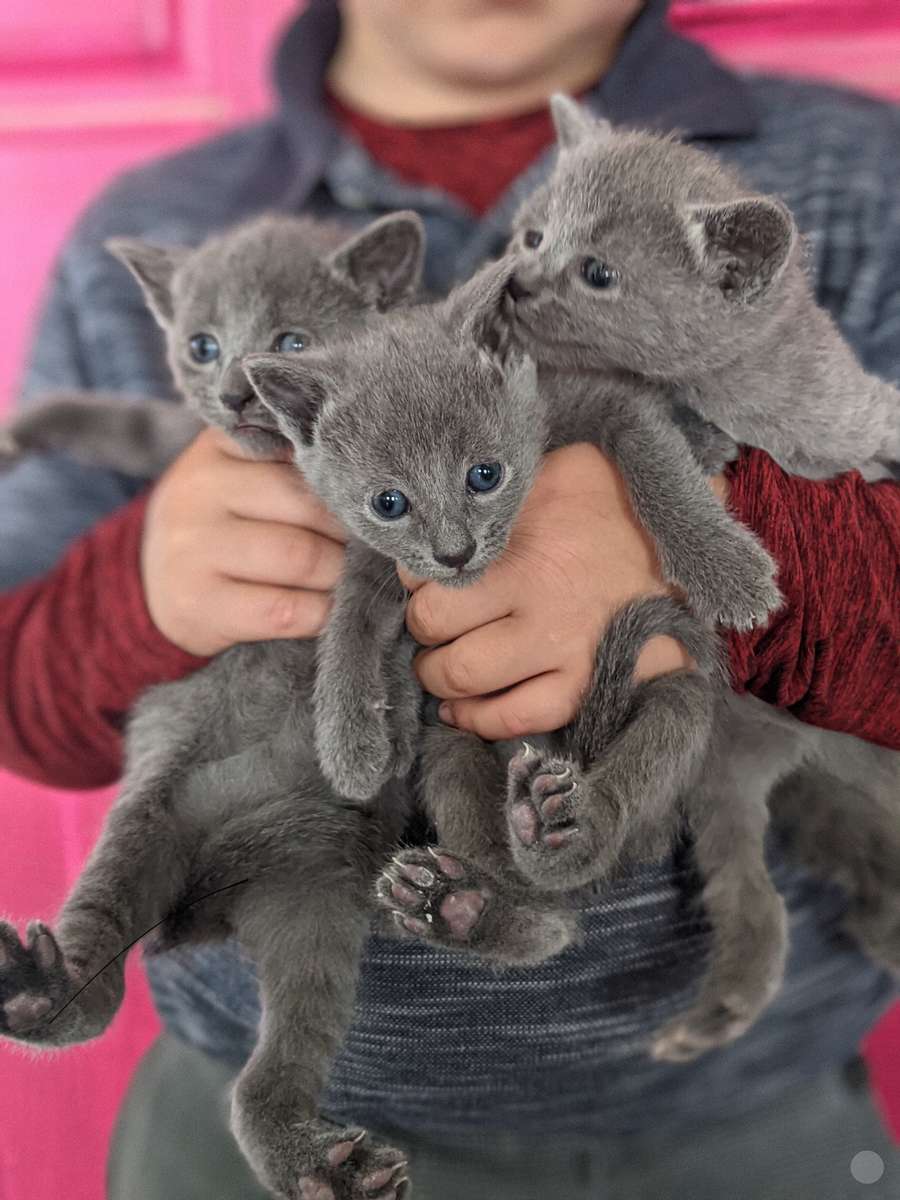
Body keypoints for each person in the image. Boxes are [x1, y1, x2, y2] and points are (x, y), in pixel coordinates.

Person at [1, 1, 898, 1196]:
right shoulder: (167, 220)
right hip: (239, 1111)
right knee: (194, 795)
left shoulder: (859, 182)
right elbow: (16, 682)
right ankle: (82, 968)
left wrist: (711, 541)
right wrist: (137, 584)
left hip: (750, 1121)